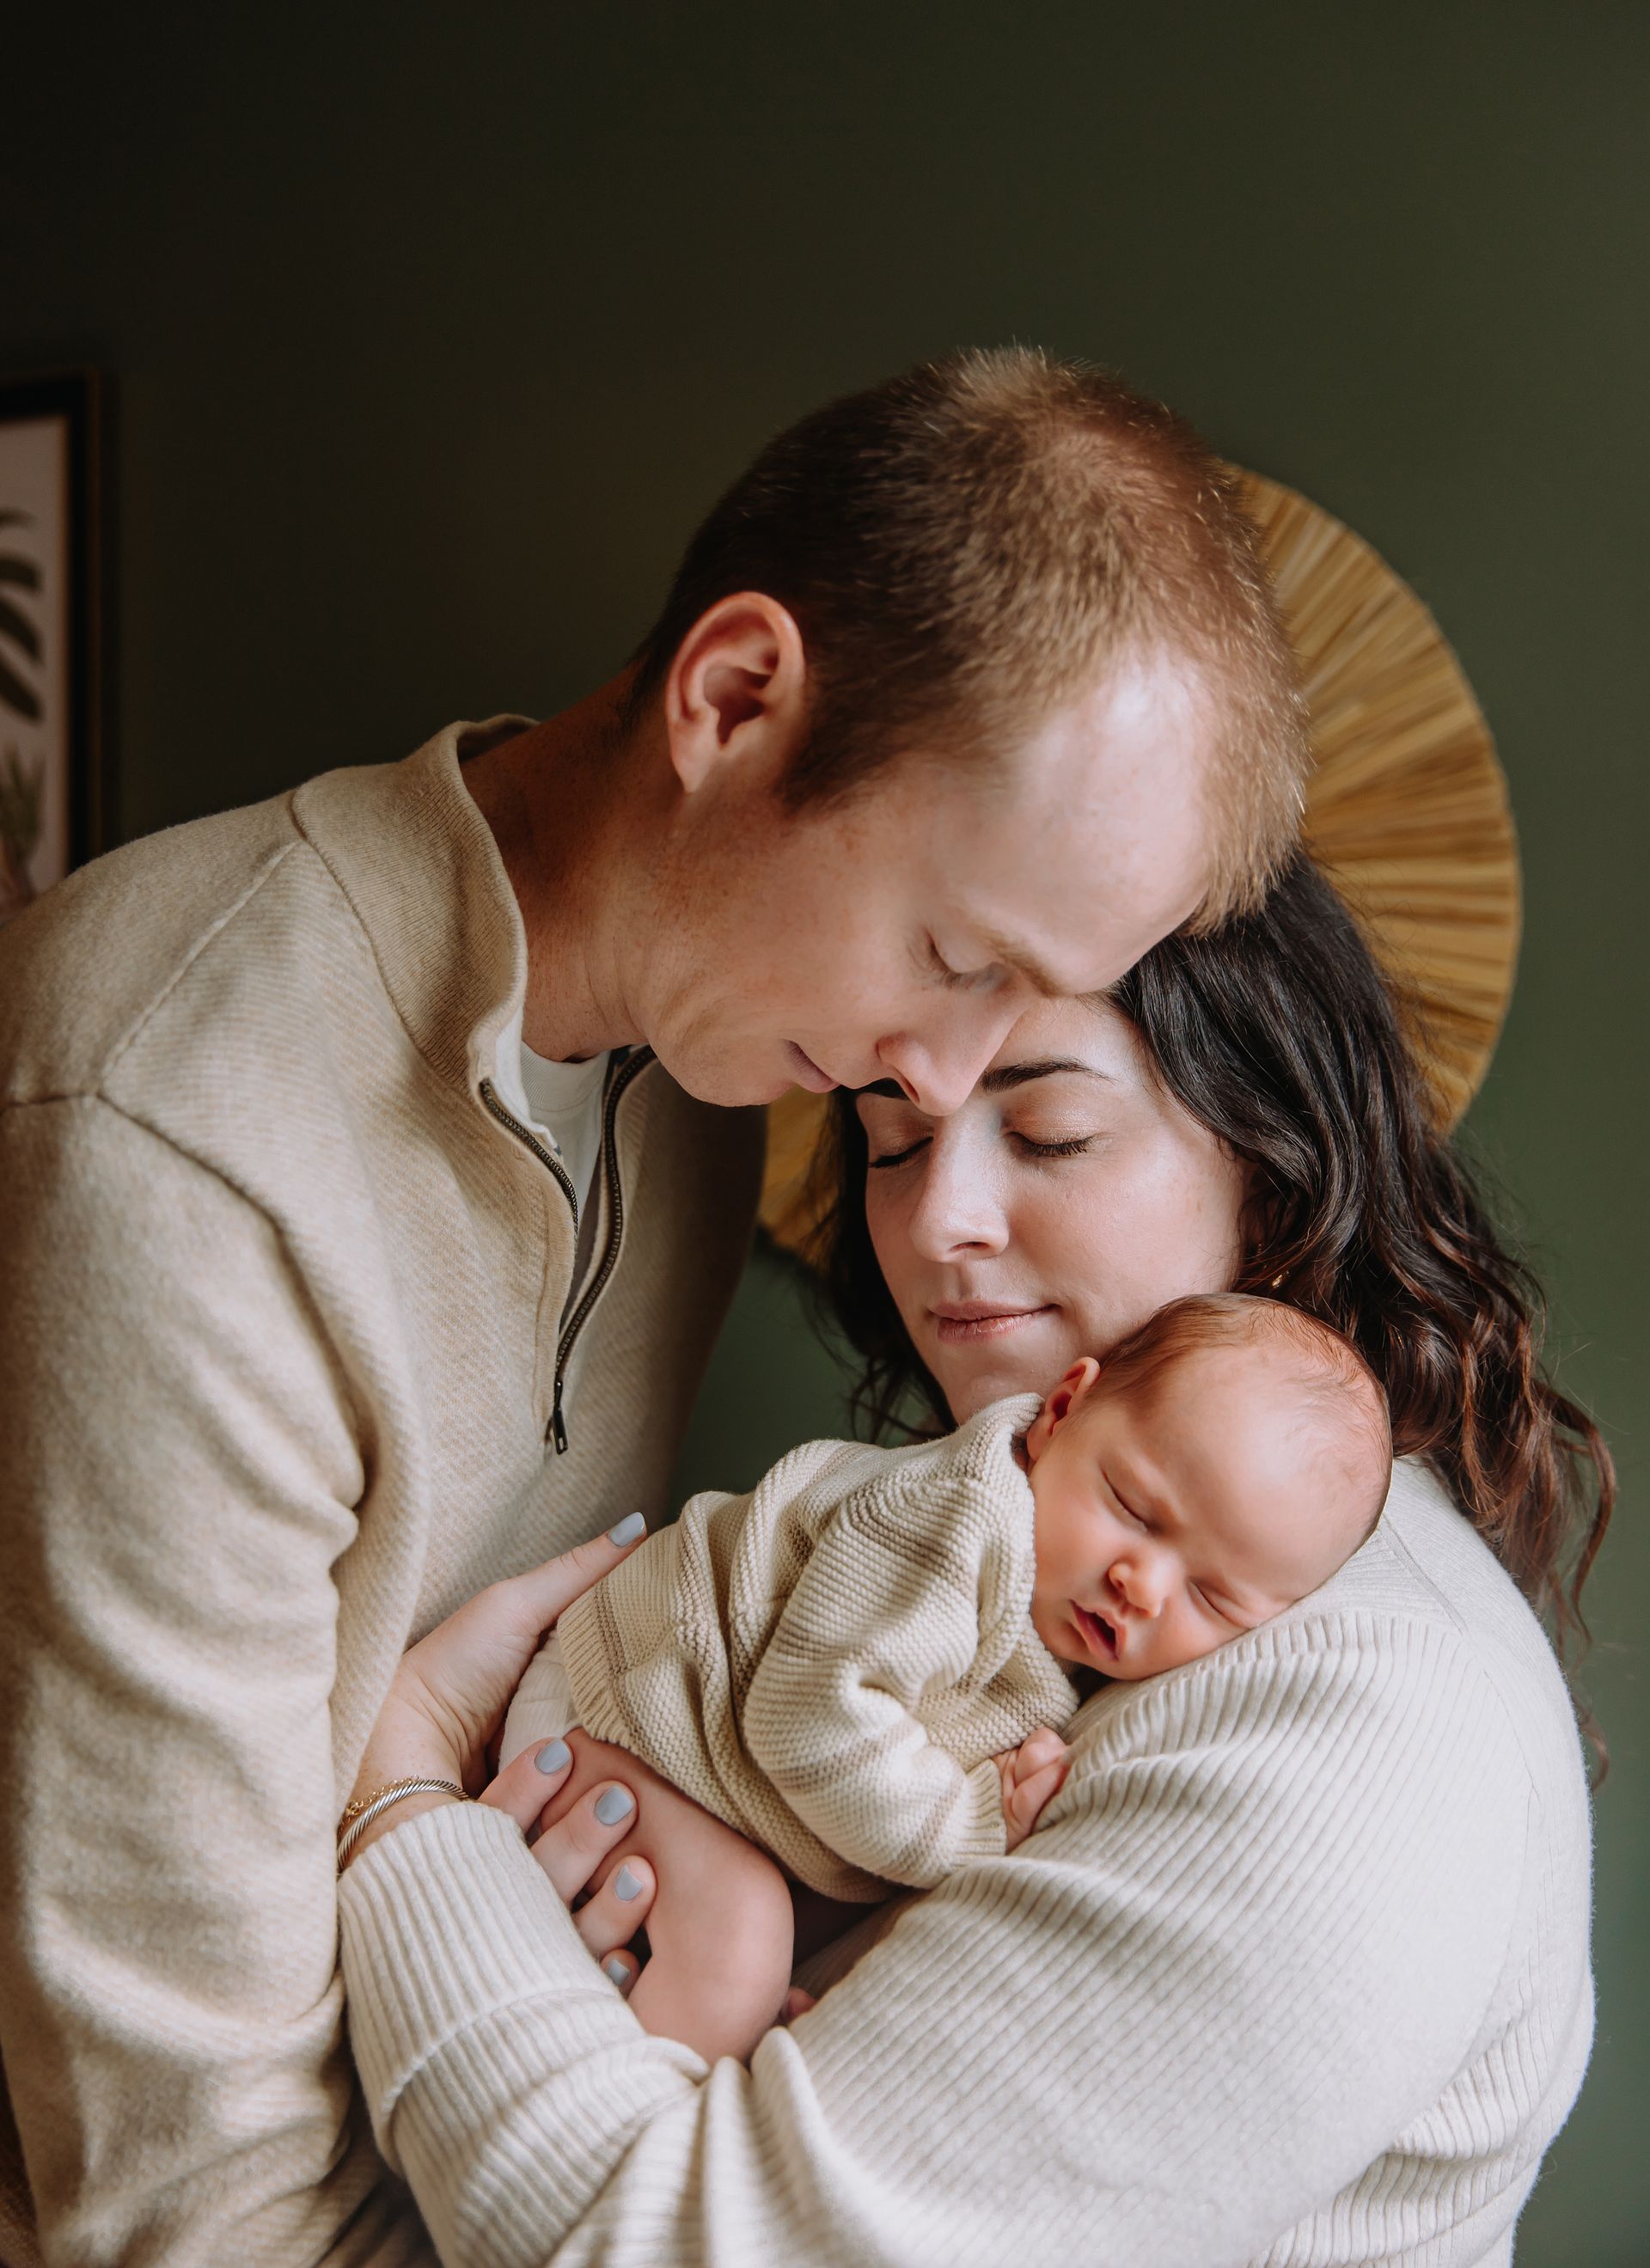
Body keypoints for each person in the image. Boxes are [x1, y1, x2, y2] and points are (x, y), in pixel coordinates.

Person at [0, 350, 1308, 2265]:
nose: (935, 1086)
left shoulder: (698, 1062)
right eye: (955, 959)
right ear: (735, 699)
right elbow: (178, 2203)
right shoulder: (172, 1129)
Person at [331, 856, 1612, 2268]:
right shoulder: (1015, 1574)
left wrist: (401, 1799)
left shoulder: (1362, 1732)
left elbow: (671, 2244)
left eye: (1052, 1130)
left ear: (1274, 1154)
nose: (937, 1222)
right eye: (889, 1140)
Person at [486, 1292, 1391, 2062]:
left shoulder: (1077, 1618)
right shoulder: (958, 1520)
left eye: (1213, 1595)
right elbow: (807, 1718)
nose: (1143, 1584)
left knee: (825, 1940)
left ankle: (715, 2036)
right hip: (628, 1701)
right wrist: (976, 1824)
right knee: (743, 1938)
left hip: (724, 1768)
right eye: (1132, 1505)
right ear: (1066, 1407)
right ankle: (644, 2146)